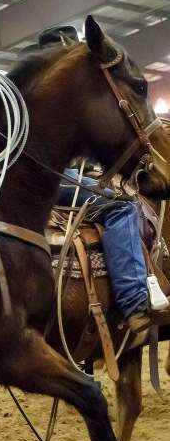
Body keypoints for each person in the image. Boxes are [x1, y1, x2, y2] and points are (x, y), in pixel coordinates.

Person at [40, 26, 165, 339]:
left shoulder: (32, 85)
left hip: (38, 172)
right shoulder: (61, 85)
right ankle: (136, 301)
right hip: (46, 175)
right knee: (122, 205)